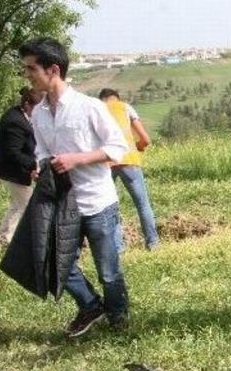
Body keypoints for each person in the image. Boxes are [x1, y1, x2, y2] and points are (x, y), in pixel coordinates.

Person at [19, 37, 130, 337]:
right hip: (62, 202)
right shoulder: (39, 113)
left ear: (53, 70)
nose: (27, 74)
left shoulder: (89, 107)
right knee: (54, 260)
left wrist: (76, 159)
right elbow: (42, 149)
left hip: (97, 202)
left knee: (108, 270)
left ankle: (119, 320)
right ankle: (91, 305)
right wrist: (40, 164)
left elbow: (117, 147)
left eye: (31, 68)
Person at [98, 88, 159, 251]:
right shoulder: (125, 107)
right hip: (129, 160)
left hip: (106, 162)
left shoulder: (97, 109)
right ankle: (152, 243)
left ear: (102, 99)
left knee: (111, 206)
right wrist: (137, 147)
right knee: (142, 204)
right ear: (116, 98)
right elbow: (145, 140)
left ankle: (119, 247)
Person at [0, 87, 43, 245]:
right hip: (10, 170)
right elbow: (13, 152)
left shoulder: (20, 115)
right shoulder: (16, 121)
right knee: (29, 205)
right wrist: (35, 165)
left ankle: (3, 238)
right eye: (37, 108)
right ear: (27, 104)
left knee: (17, 204)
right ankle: (30, 242)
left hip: (13, 169)